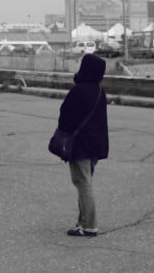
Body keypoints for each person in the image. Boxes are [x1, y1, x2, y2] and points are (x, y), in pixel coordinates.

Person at [56, 52, 109, 237]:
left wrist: (64, 131)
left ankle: (89, 226)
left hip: (81, 145)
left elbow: (65, 114)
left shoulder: (80, 89)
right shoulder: (99, 90)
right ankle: (82, 222)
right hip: (95, 145)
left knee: (83, 184)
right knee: (84, 182)